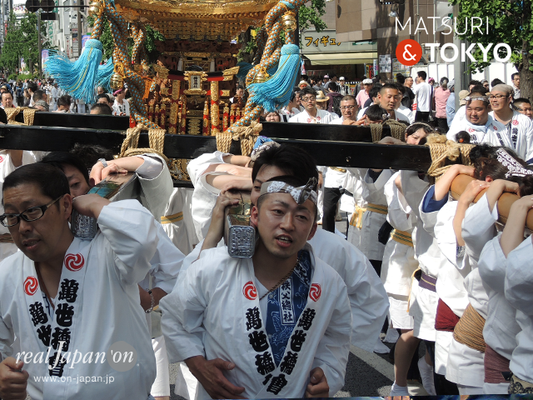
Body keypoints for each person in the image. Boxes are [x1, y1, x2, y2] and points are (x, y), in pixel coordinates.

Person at [161, 174, 352, 400]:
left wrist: (327, 373)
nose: (288, 225)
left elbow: (336, 341)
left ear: (312, 230)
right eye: (278, 212)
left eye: (301, 216)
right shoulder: (213, 268)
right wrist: (197, 365)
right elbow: (175, 317)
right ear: (255, 216)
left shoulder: (329, 283)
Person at [0, 163, 159, 399]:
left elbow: (142, 238)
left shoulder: (107, 254)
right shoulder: (8, 273)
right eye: (12, 216)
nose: (22, 227)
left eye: (32, 211)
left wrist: (95, 204)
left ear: (65, 205)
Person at [488, 84, 533, 162]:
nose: (494, 100)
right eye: (492, 96)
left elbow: (531, 150)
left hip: (523, 169)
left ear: (509, 99)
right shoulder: (486, 120)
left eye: (498, 96)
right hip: (495, 170)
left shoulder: (524, 120)